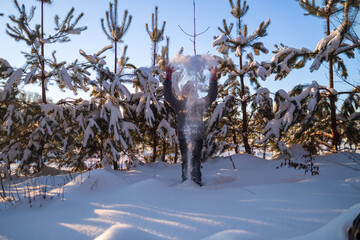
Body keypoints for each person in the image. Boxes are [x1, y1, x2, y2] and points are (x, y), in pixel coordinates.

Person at [164, 65, 218, 185]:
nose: (188, 91)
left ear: (194, 92)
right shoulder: (179, 105)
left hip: (197, 137)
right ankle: (186, 183)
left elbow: (212, 96)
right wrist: (168, 77)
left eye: (190, 89)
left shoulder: (200, 104)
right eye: (186, 89)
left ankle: (196, 184)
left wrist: (213, 77)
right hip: (184, 137)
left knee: (195, 161)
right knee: (186, 161)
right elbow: (168, 95)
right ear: (183, 92)